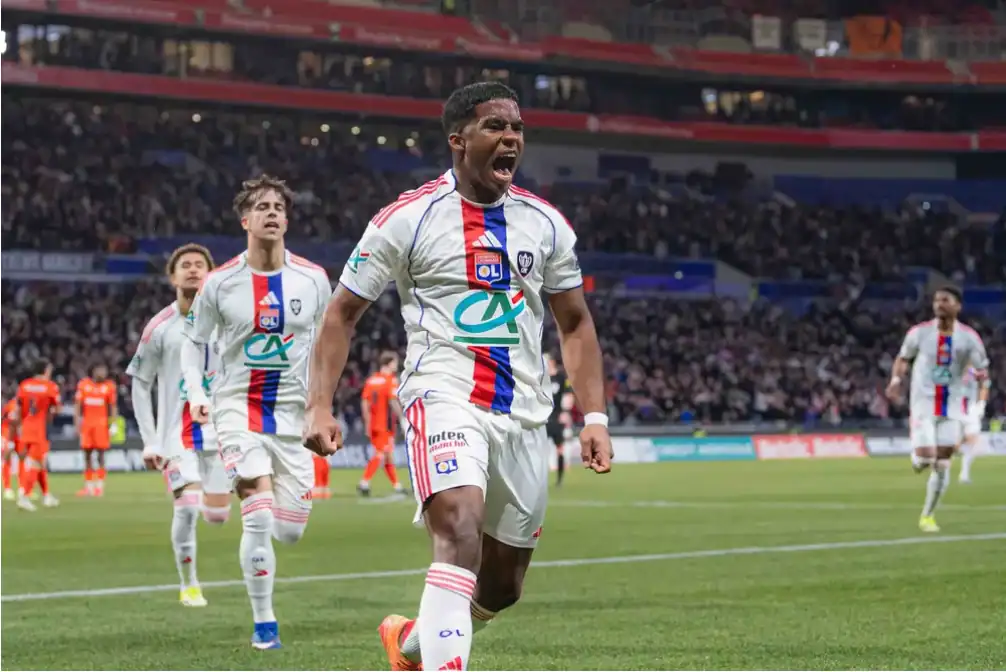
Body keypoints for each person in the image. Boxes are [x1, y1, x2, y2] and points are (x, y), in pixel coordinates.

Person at [303, 81, 612, 671]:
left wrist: (593, 416)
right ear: (458, 140)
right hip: (442, 396)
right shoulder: (407, 218)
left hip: (522, 414)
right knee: (458, 529)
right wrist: (319, 404)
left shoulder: (545, 224)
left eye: (517, 128)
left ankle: (410, 645)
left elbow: (574, 323)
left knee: (502, 587)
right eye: (495, 126)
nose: (511, 138)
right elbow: (341, 313)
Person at [181, 175, 331, 649]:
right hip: (237, 409)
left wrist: (323, 406)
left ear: (287, 220)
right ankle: (265, 623)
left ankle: (273, 558)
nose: (271, 213)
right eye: (262, 207)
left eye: (278, 208)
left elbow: (327, 346)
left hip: (292, 417)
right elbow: (193, 341)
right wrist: (197, 392)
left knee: (289, 530)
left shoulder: (313, 279)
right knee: (259, 515)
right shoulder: (220, 283)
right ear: (245, 220)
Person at [128, 243, 230, 608]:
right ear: (172, 277)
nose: (193, 269)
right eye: (184, 265)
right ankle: (189, 585)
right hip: (176, 436)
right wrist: (150, 440)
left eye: (200, 264)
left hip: (222, 434)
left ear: (211, 275)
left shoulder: (228, 322)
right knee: (187, 507)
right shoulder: (159, 327)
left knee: (217, 515)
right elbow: (140, 383)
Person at [886, 287, 989, 533]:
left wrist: (980, 401)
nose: (939, 304)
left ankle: (928, 516)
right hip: (923, 404)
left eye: (945, 300)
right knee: (924, 459)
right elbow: (903, 358)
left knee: (942, 464)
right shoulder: (919, 333)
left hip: (952, 407)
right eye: (936, 300)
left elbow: (982, 372)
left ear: (958, 306)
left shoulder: (969, 338)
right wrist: (896, 380)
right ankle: (918, 458)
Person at [14, 360, 61, 511]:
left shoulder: (24, 385)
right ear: (46, 370)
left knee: (40, 463)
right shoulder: (50, 386)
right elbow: (57, 409)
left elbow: (18, 408)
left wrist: (19, 426)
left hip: (25, 427)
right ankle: (24, 496)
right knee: (36, 463)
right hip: (39, 429)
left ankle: (46, 495)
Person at [358, 351, 405, 497]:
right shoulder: (390, 380)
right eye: (395, 362)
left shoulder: (371, 380)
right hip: (385, 424)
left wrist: (367, 422)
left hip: (374, 424)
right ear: (389, 363)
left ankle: (397, 485)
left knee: (387, 456)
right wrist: (402, 418)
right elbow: (392, 401)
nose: (396, 365)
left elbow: (364, 403)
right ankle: (364, 482)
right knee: (381, 454)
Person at [74, 364, 118, 497]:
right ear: (93, 371)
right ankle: (88, 487)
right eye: (100, 370)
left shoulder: (109, 386)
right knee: (87, 455)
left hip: (101, 425)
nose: (103, 373)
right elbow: (78, 407)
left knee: (101, 455)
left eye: (104, 370)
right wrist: (76, 425)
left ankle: (99, 486)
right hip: (87, 425)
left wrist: (113, 424)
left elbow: (112, 406)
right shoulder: (84, 385)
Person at [544, 353, 574, 487]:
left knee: (559, 448)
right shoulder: (540, 377)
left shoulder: (561, 378)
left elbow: (568, 394)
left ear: (552, 362)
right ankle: (539, 480)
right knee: (539, 449)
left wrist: (566, 412)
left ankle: (559, 480)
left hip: (556, 417)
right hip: (543, 418)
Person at [958, 368, 990, 484]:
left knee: (971, 443)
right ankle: (963, 474)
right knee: (970, 443)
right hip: (966, 411)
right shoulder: (964, 371)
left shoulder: (969, 371)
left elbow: (985, 385)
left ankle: (964, 474)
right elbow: (985, 385)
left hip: (966, 411)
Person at [2, 396, 24, 500]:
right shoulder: (12, 405)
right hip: (9, 433)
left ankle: (23, 489)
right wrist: (10, 441)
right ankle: (7, 489)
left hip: (19, 434)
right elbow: (11, 423)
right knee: (7, 459)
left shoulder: (29, 405)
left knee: (22, 459)